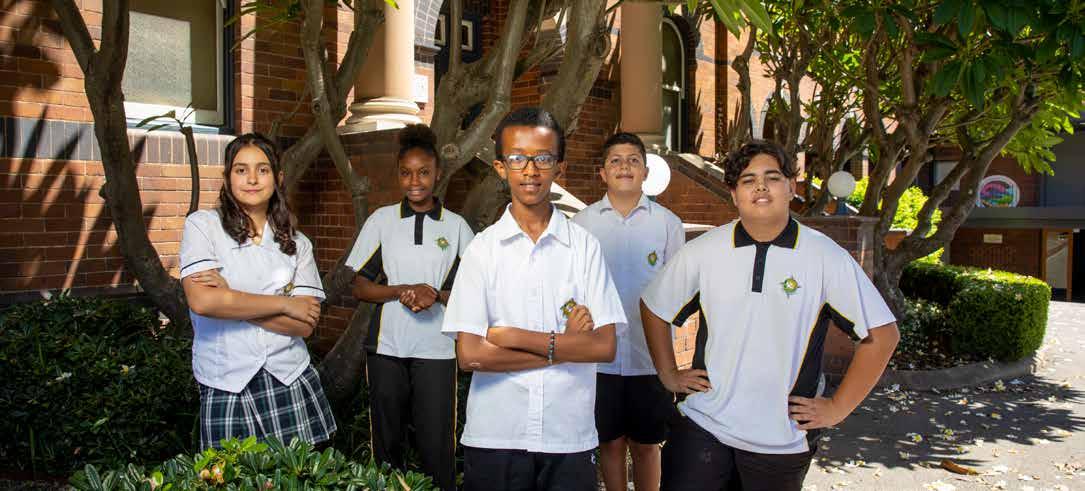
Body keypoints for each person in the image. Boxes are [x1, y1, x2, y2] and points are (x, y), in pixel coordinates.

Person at [640, 140, 900, 491]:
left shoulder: (825, 257)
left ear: (791, 187)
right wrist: (669, 373)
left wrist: (838, 408)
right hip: (704, 424)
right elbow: (654, 306)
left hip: (782, 437)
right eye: (747, 180)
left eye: (772, 177)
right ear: (734, 195)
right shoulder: (704, 251)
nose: (760, 186)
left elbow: (882, 335)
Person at [441, 107, 627, 491]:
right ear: (500, 167)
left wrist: (513, 337)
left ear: (559, 167)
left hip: (568, 435)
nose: (530, 170)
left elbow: (604, 346)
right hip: (496, 435)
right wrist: (567, 346)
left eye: (543, 158)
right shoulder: (482, 251)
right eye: (517, 158)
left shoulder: (584, 248)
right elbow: (471, 355)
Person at [179, 133, 336, 450]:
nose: (252, 179)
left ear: (278, 178)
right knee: (230, 475)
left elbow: (304, 325)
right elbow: (203, 301)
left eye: (262, 170)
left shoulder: (298, 244)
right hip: (225, 381)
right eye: (241, 170)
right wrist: (284, 304)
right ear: (227, 177)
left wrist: (231, 299)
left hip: (288, 377)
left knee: (299, 475)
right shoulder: (202, 226)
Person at [342, 124, 473, 491]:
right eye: (406, 173)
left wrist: (435, 295)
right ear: (398, 175)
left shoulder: (457, 227)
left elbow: (476, 291)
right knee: (387, 443)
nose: (415, 181)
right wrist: (403, 290)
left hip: (437, 349)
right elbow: (360, 286)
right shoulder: (382, 221)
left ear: (438, 174)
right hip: (387, 347)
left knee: (437, 444)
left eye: (424, 172)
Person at [572, 132, 684, 491]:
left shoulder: (667, 223)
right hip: (599, 359)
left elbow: (677, 290)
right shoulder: (581, 225)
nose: (625, 167)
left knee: (648, 445)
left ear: (646, 172)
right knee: (610, 442)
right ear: (602, 173)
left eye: (633, 160)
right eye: (615, 160)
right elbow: (569, 289)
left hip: (649, 357)